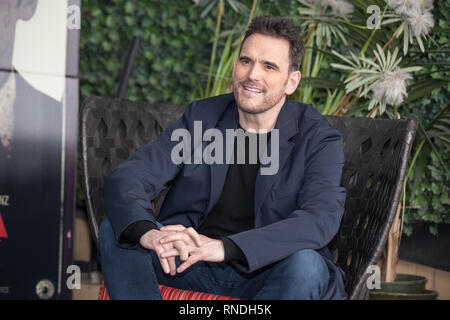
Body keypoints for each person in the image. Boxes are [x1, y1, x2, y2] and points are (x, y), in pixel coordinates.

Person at [99, 15, 347, 300]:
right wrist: (148, 233)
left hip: (268, 271)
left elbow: (320, 219)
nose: (253, 74)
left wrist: (225, 247)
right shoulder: (202, 119)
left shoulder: (317, 138)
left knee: (307, 266)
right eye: (246, 61)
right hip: (188, 263)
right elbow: (129, 178)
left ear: (292, 81)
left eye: (269, 66)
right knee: (119, 229)